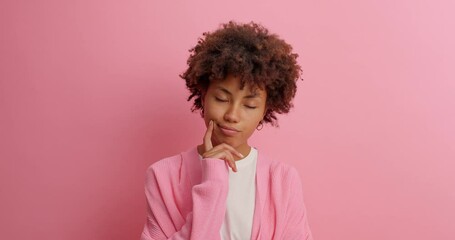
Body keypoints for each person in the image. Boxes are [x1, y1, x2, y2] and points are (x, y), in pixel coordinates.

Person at [140, 21, 313, 240]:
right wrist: (213, 183)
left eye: (249, 105)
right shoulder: (163, 176)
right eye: (221, 98)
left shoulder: (282, 179)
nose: (232, 115)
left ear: (265, 111)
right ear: (203, 96)